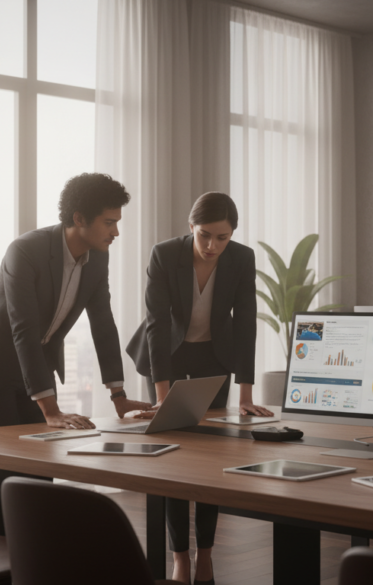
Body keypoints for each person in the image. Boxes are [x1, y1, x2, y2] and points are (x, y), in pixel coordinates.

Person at [0, 173, 151, 536]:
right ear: (78, 219)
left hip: (32, 365)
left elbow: (103, 324)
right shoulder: (25, 250)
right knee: (5, 469)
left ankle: (39, 560)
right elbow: (22, 327)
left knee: (40, 466)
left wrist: (118, 395)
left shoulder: (97, 258)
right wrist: (50, 410)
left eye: (117, 223)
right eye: (109, 222)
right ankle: (4, 564)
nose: (115, 233)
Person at [127, 192, 273, 585]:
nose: (212, 246)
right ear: (190, 226)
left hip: (214, 356)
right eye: (205, 235)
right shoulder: (164, 254)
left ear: (233, 235)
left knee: (209, 458)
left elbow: (245, 323)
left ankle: (205, 555)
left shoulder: (241, 258)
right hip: (168, 357)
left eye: (222, 238)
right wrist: (161, 396)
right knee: (174, 460)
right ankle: (180, 559)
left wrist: (245, 394)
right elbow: (157, 324)